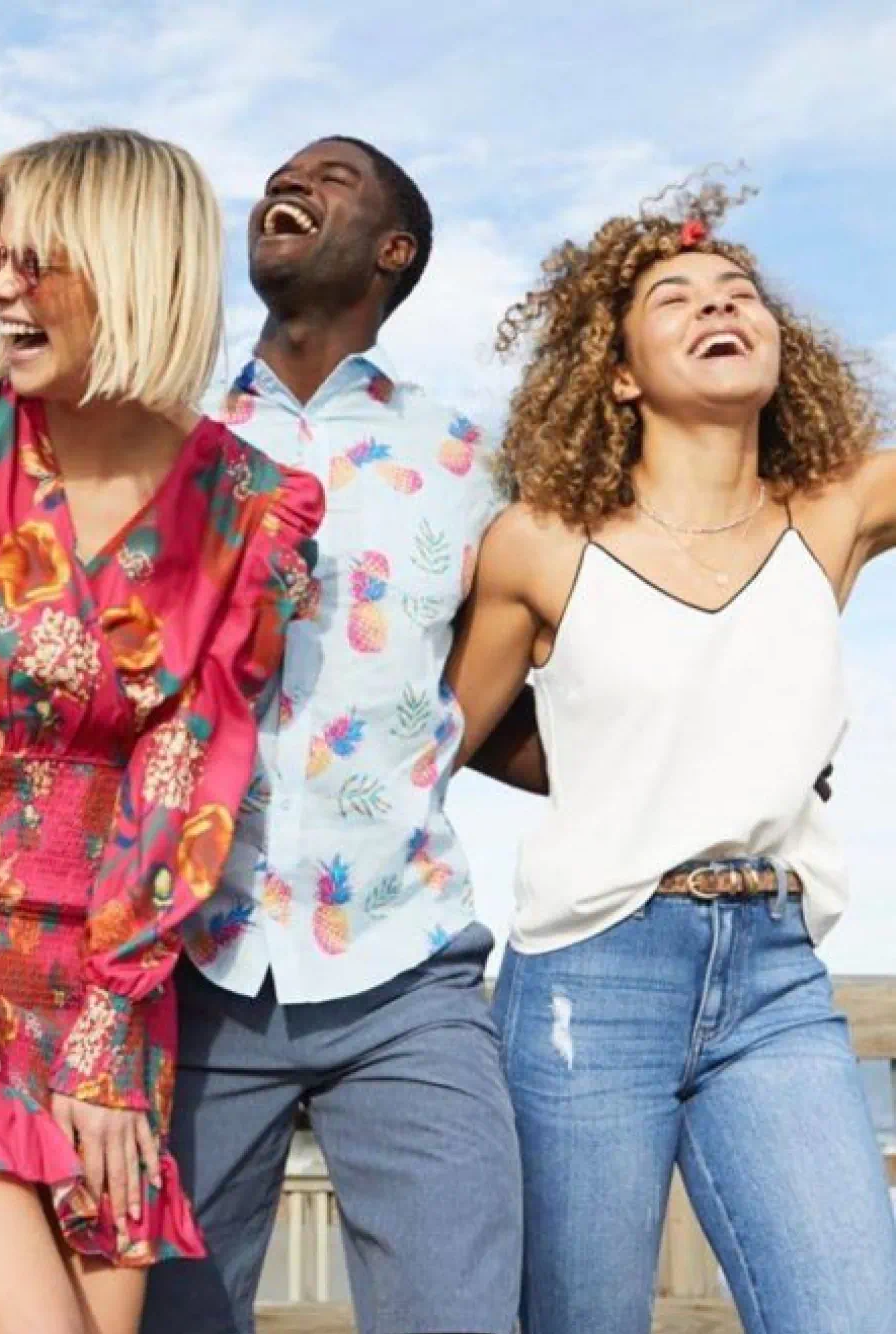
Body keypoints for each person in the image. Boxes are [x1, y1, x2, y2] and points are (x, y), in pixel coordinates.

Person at [0, 135, 532, 1334]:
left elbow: (184, 773)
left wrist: (105, 1032)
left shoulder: (247, 506)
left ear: (132, 264)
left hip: (114, 969)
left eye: (37, 261)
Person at [445, 179, 896, 1333]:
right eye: (678, 297)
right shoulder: (540, 543)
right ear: (620, 373)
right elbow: (428, 741)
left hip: (777, 976)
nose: (720, 303)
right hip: (589, 976)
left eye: (741, 293)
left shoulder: (833, 512)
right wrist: (602, 768)